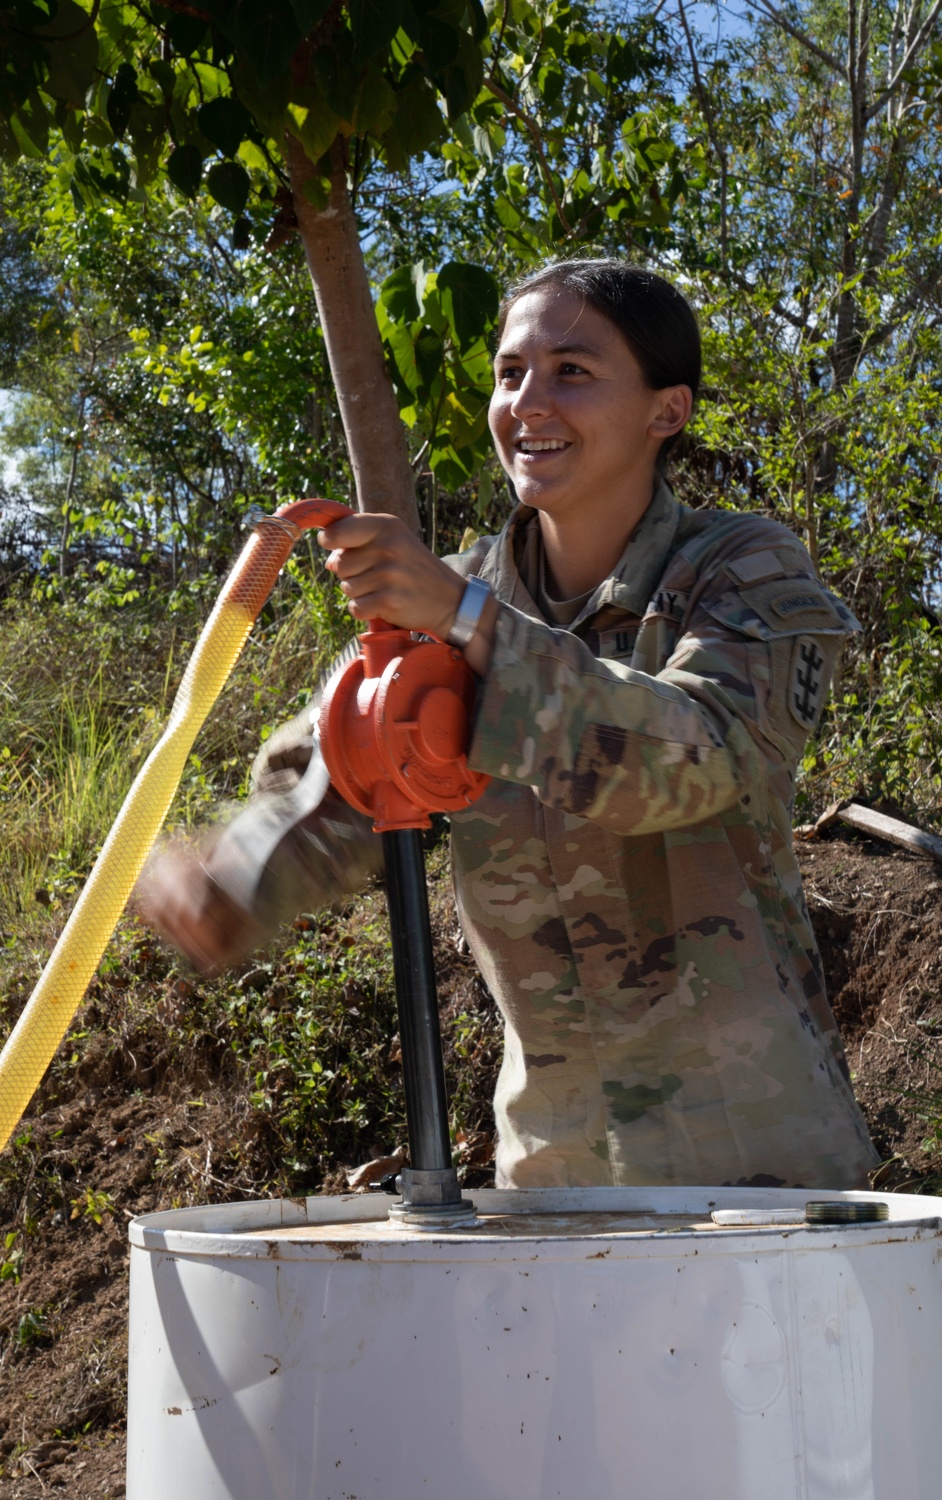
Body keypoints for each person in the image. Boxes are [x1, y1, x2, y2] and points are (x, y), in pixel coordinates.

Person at [138, 258, 878, 1191]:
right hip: (554, 1172)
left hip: (754, 1168)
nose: (528, 400)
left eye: (573, 370)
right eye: (510, 372)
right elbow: (343, 781)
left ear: (668, 411)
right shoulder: (448, 597)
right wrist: (236, 873)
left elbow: (700, 758)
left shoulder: (744, 569)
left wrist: (473, 623)